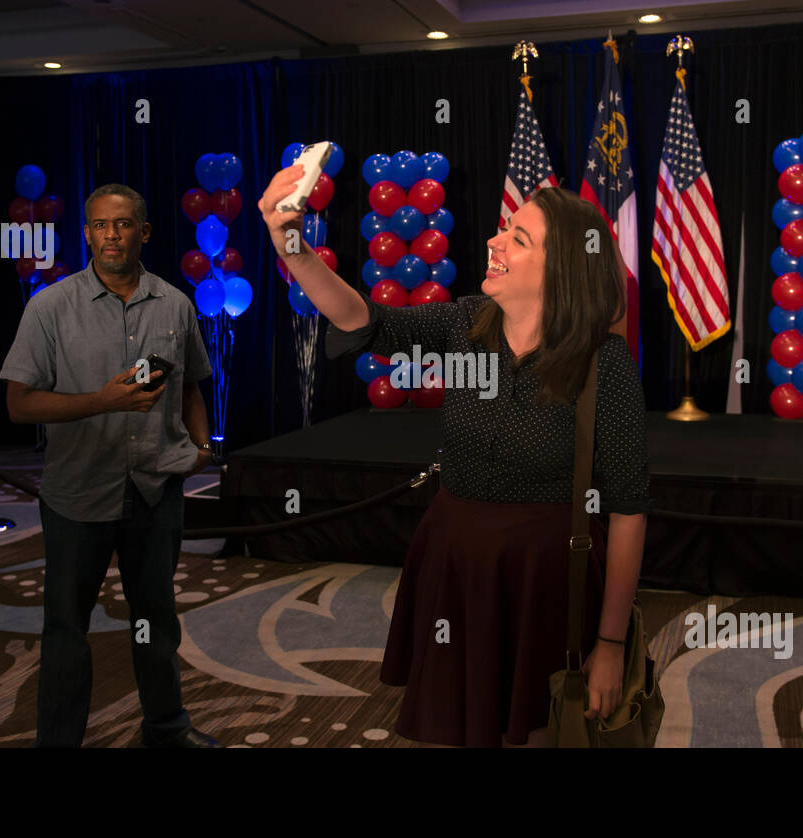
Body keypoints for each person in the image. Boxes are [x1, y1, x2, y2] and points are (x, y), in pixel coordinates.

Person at [259, 166, 651, 747]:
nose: (494, 241)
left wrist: (612, 645)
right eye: (505, 231)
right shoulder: (468, 324)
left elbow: (627, 510)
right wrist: (291, 248)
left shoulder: (604, 363)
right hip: (455, 568)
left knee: (537, 731)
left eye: (518, 239)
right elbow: (363, 321)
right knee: (452, 726)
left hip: (545, 584)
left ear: (563, 268)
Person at [0, 184, 221, 748]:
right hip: (78, 494)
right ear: (88, 233)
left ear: (143, 233)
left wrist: (199, 445)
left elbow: (194, 382)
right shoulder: (49, 306)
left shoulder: (174, 303)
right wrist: (103, 401)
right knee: (67, 629)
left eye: (122, 225)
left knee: (156, 622)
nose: (111, 236)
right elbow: (18, 403)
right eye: (99, 226)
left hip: (154, 491)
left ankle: (167, 731)